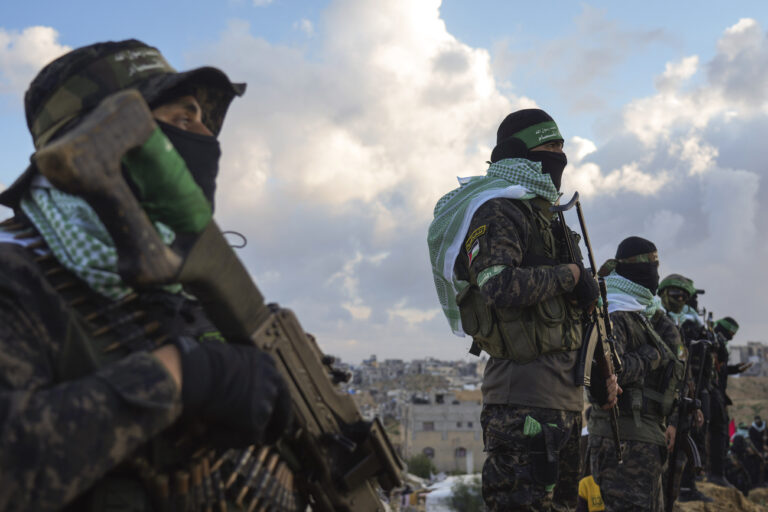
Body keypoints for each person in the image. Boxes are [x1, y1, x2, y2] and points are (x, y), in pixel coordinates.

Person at [0, 40, 292, 511]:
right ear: (101, 139)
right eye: (181, 118)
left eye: (203, 119)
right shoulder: (16, 276)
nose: (205, 134)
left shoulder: (182, 288)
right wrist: (178, 376)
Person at [427, 108, 618, 511]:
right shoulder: (498, 209)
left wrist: (603, 373)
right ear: (520, 154)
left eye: (563, 147)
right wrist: (569, 275)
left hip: (565, 401)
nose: (559, 156)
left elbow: (584, 312)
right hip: (522, 402)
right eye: (550, 146)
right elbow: (496, 283)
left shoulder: (550, 219)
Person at [588, 237, 684, 512]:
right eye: (653, 267)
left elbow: (674, 356)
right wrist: (651, 356)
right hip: (622, 440)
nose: (656, 274)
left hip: (646, 437)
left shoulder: (645, 311)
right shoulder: (614, 311)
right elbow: (611, 370)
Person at [708, 316, 752, 487]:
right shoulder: (714, 341)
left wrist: (736, 369)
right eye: (730, 333)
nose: (732, 337)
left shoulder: (719, 342)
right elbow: (715, 369)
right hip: (712, 392)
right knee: (718, 431)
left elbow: (722, 370)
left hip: (718, 393)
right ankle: (714, 474)